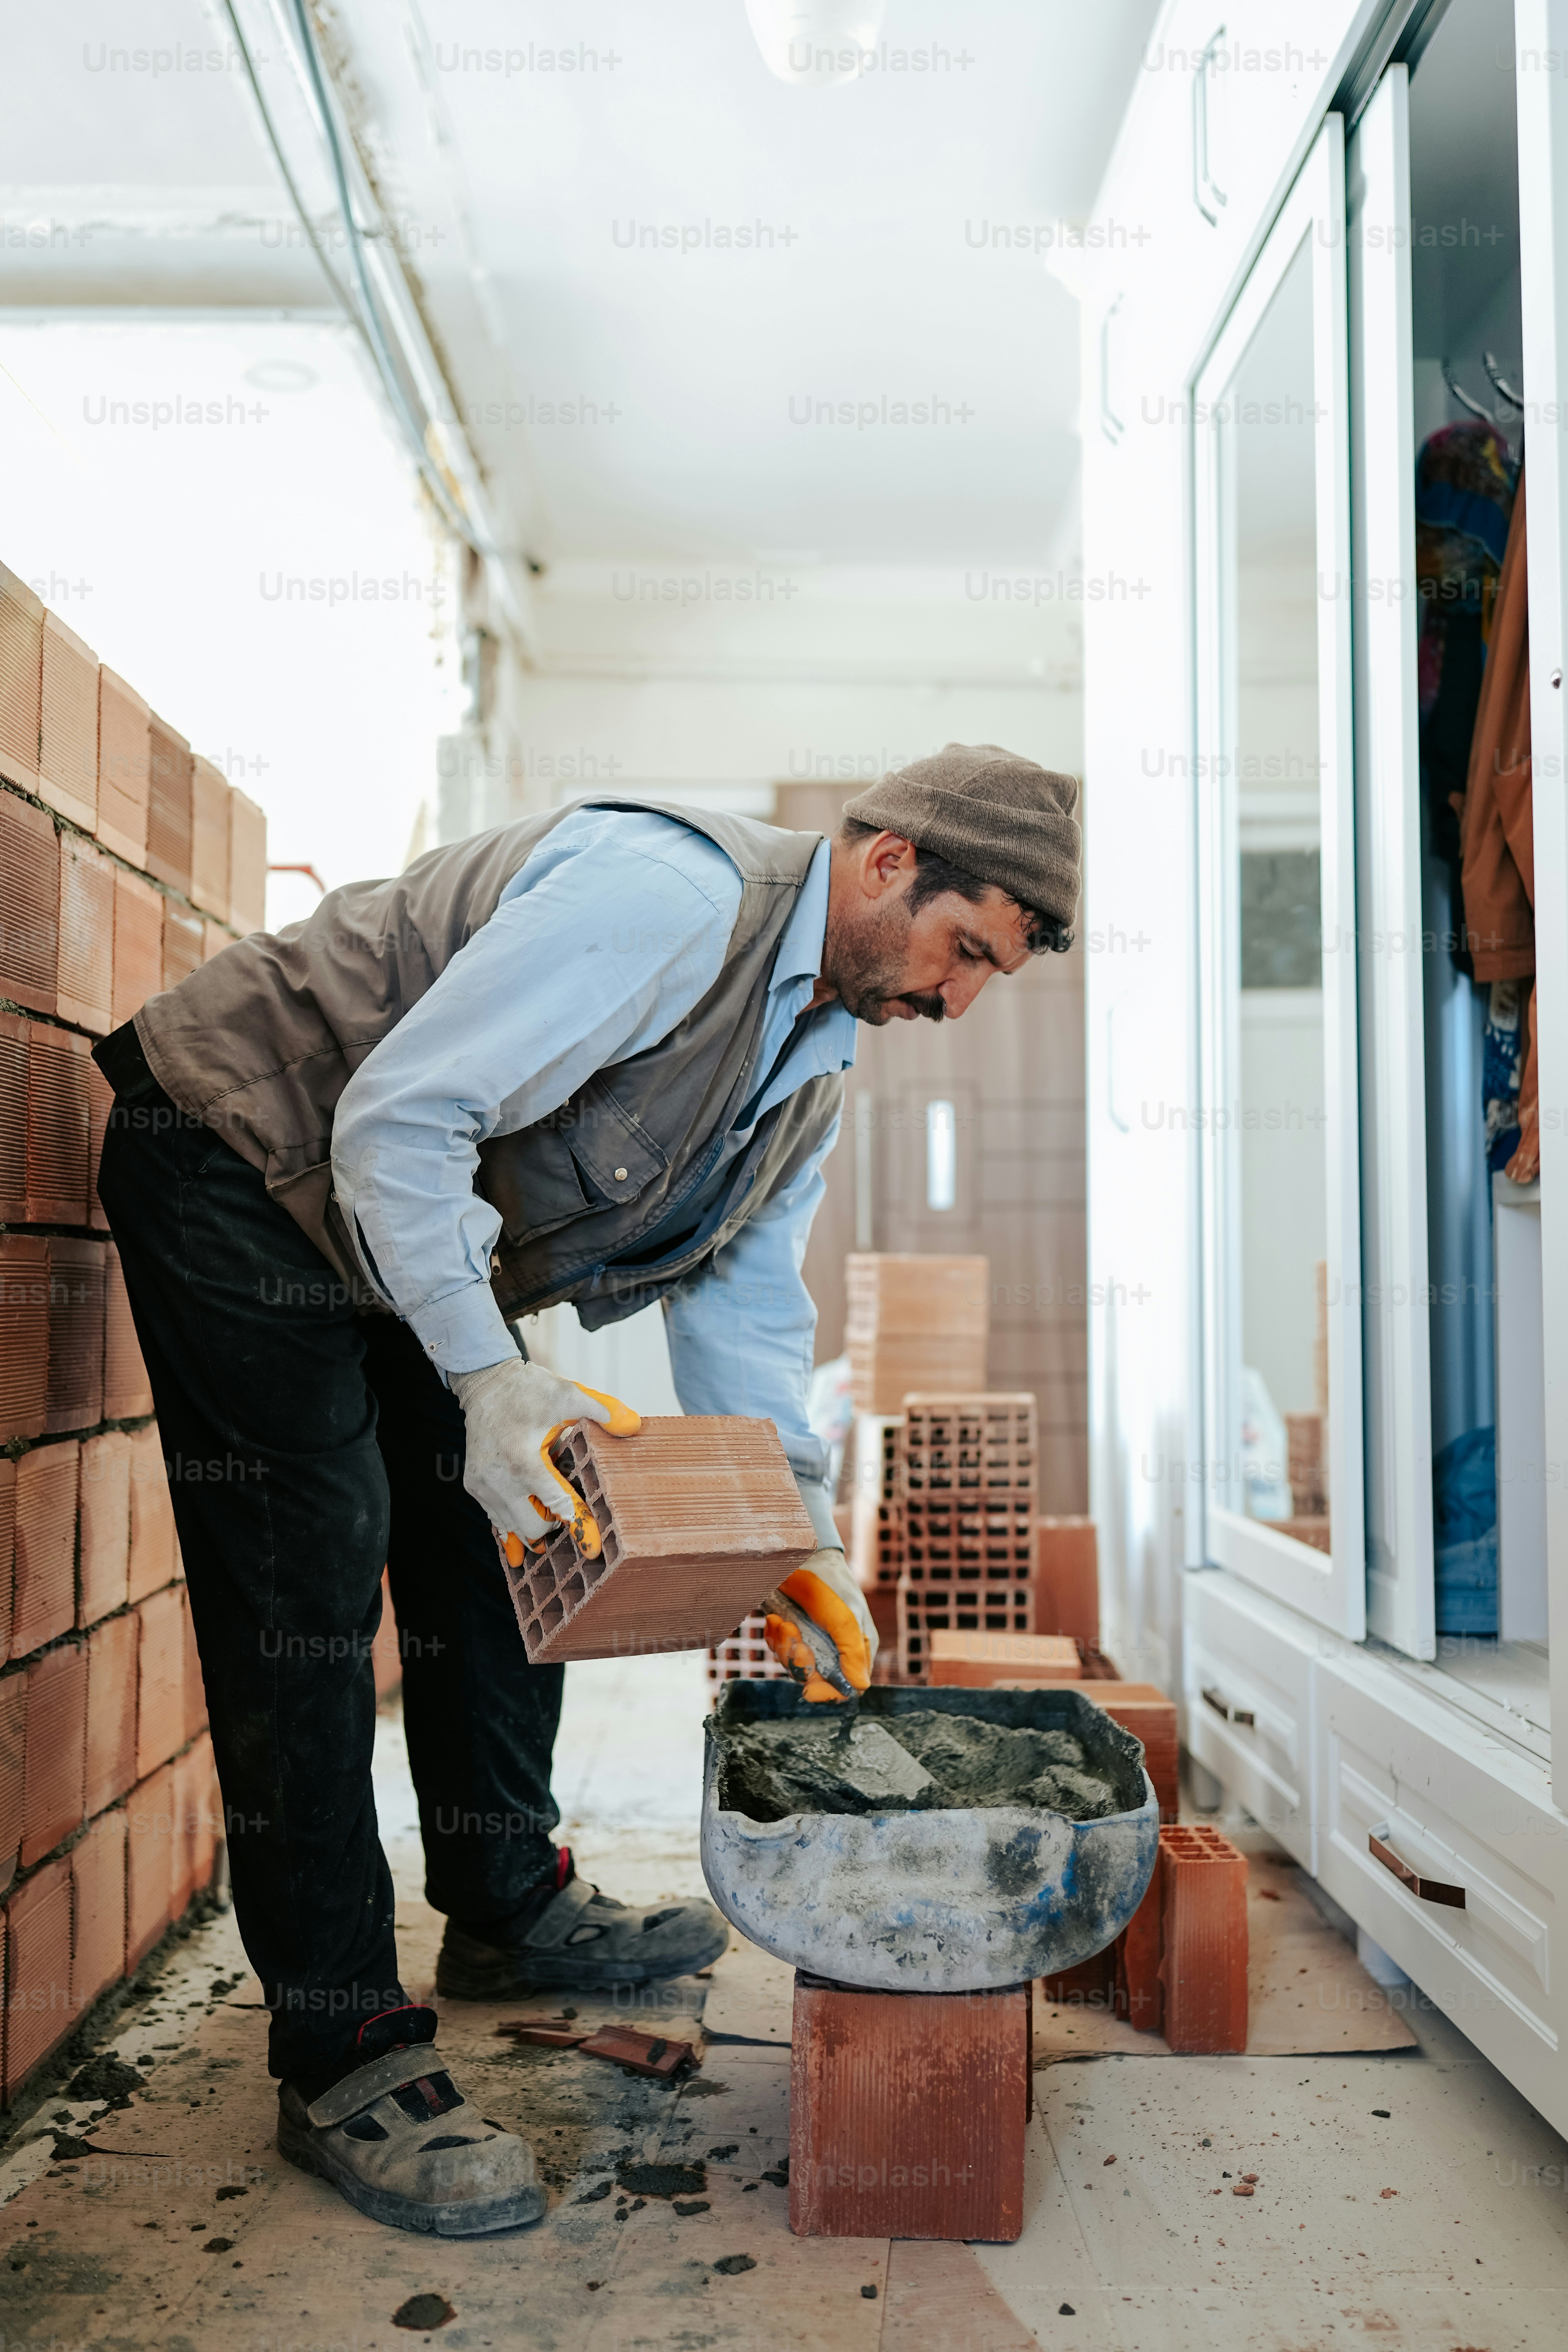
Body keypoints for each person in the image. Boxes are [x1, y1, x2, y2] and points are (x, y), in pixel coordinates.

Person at [93, 742, 1081, 2236]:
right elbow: (399, 1118)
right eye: (962, 954)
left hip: (384, 1211)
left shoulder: (808, 1062)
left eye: (986, 979)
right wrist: (490, 1379)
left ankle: (501, 1904)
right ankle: (344, 2050)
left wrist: (798, 1534)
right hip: (242, 1150)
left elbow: (748, 1307)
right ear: (887, 862)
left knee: (515, 1518)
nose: (954, 1004)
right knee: (313, 1565)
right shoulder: (667, 897)